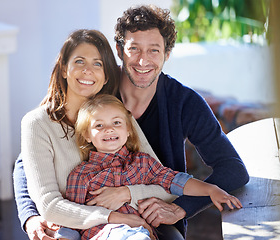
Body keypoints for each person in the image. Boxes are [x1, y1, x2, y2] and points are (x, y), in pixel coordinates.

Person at [14, 4, 249, 240]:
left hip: (151, 213)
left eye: (154, 50)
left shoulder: (183, 102)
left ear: (167, 54)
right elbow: (28, 162)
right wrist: (30, 215)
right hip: (85, 218)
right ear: (119, 50)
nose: (143, 61)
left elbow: (232, 169)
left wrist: (180, 208)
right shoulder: (95, 89)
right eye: (134, 48)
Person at [17, 28, 178, 240]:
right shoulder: (37, 124)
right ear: (64, 69)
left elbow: (168, 187)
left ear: (105, 77)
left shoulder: (117, 115)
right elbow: (49, 204)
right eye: (79, 61)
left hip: (132, 226)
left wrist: (127, 193)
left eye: (98, 64)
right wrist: (111, 217)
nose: (88, 70)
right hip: (73, 229)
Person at [55, 94, 242, 240]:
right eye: (99, 125)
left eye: (116, 123)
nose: (109, 129)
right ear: (87, 135)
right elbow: (75, 217)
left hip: (140, 234)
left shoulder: (142, 163)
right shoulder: (81, 175)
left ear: (128, 130)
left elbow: (175, 181)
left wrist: (210, 189)